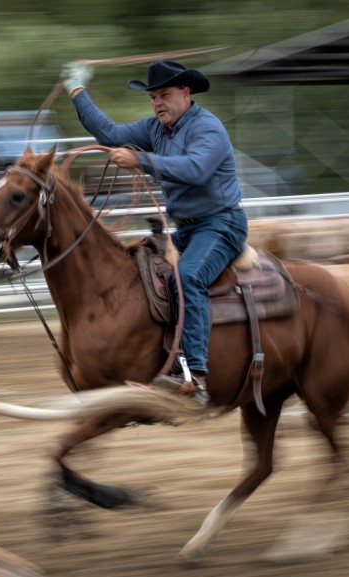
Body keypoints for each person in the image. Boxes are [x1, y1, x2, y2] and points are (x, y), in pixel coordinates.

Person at [62, 59, 248, 405]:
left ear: (184, 92)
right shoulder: (155, 130)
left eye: (164, 95)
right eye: (152, 97)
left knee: (187, 277)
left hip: (222, 225)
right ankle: (157, 357)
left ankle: (196, 376)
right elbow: (111, 135)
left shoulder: (208, 128)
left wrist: (142, 161)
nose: (157, 103)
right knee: (139, 265)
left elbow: (195, 169)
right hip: (189, 230)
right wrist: (77, 92)